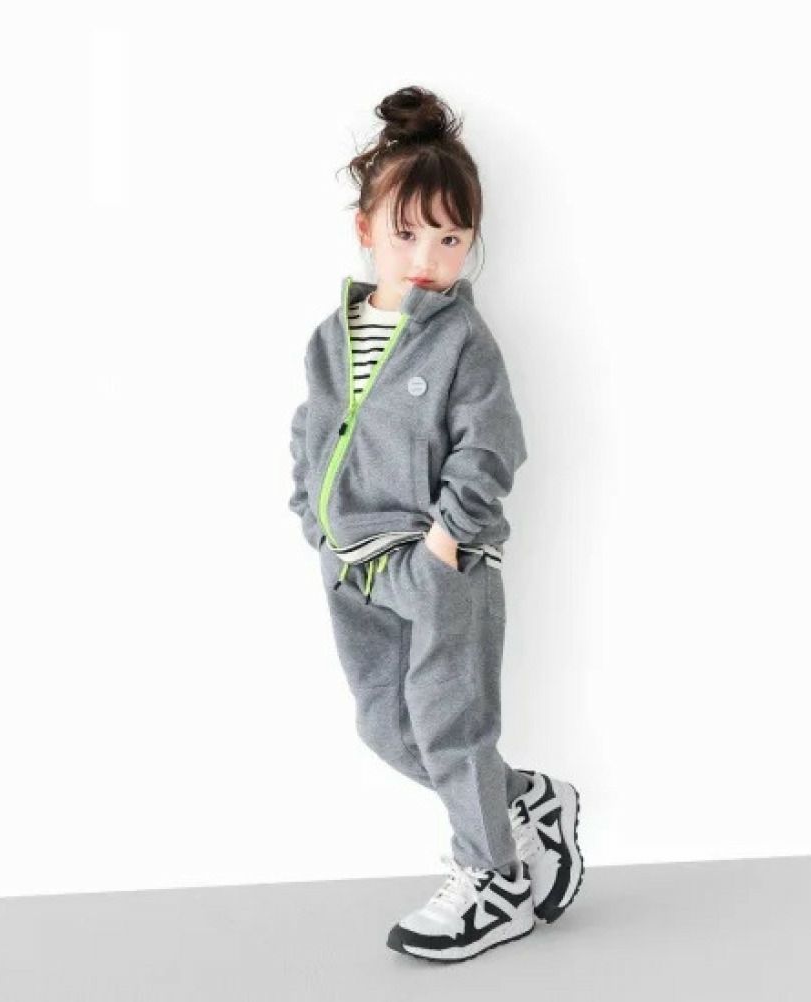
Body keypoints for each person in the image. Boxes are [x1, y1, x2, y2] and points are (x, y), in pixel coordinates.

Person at [287, 85, 584, 963]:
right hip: (352, 564)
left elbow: (492, 444)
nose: (429, 257)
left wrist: (446, 543)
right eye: (409, 233)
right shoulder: (331, 338)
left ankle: (496, 882)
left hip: (437, 563)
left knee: (451, 728)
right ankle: (523, 798)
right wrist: (312, 519)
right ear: (366, 230)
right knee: (387, 728)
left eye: (452, 239)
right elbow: (310, 431)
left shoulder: (462, 340)